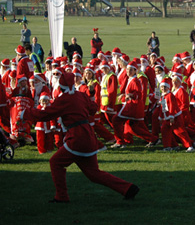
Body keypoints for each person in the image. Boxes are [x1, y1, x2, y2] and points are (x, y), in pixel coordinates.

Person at [20, 71, 139, 202]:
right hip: (88, 135)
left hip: (77, 137)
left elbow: (45, 115)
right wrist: (91, 96)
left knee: (55, 162)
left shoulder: (64, 99)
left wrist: (26, 113)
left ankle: (62, 196)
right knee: (94, 174)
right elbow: (93, 108)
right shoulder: (81, 96)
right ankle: (128, 188)